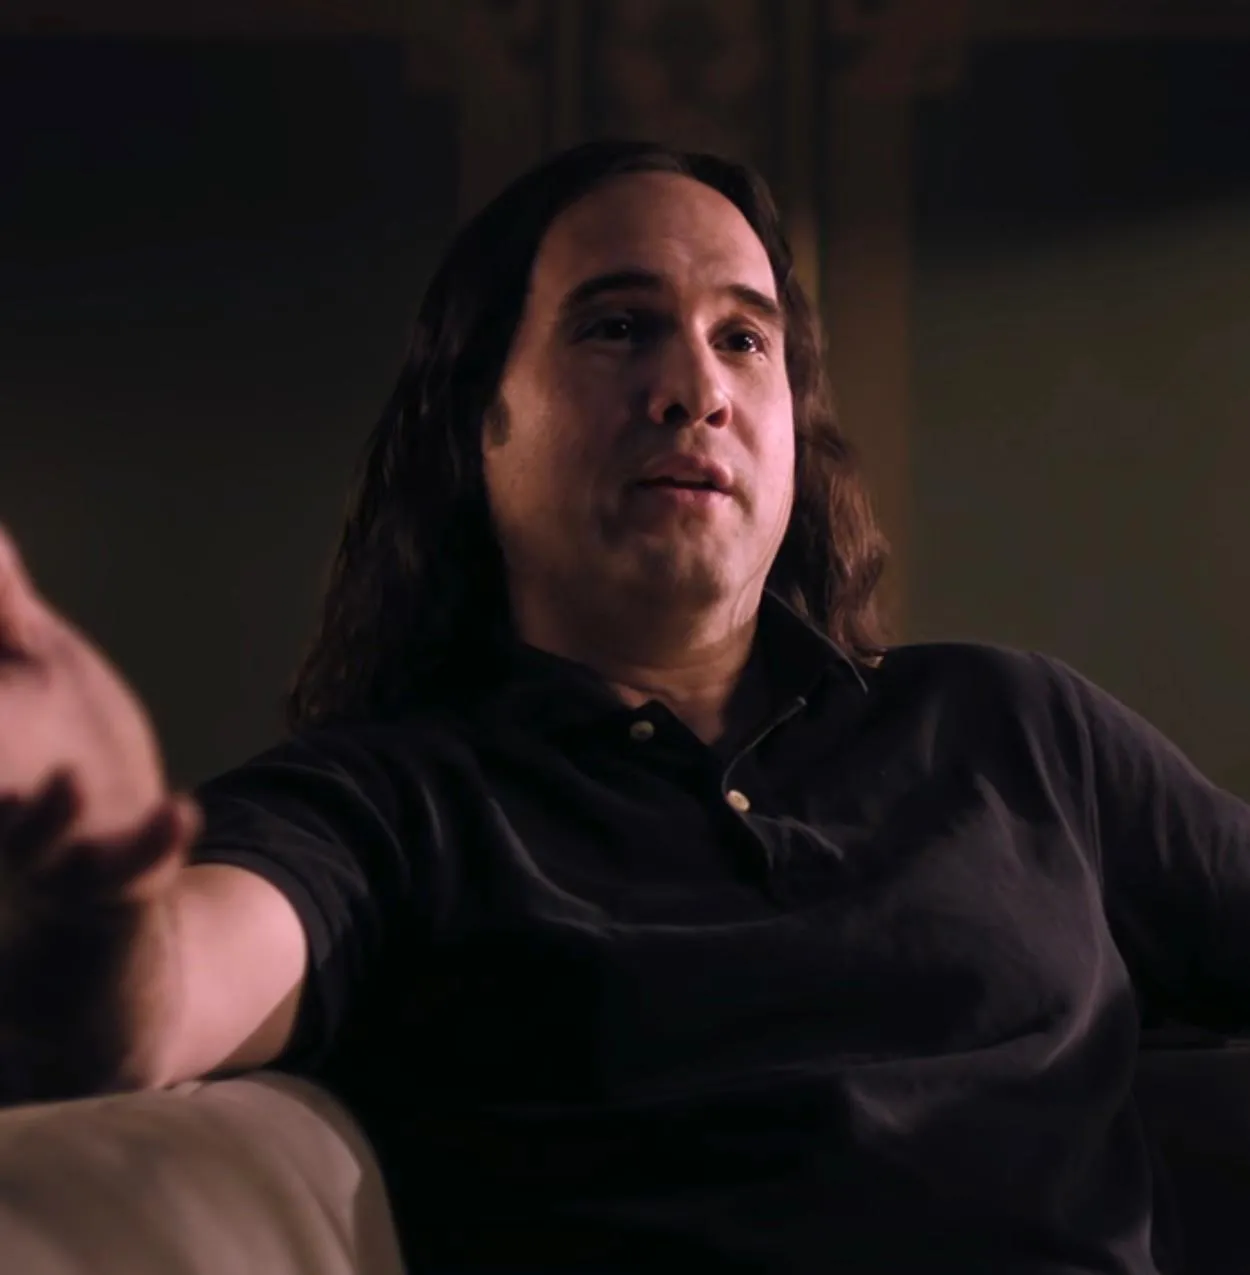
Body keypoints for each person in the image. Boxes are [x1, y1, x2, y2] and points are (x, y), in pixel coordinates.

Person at [0, 138, 1247, 1275]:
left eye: (742, 339)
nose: (693, 389)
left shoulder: (1011, 727)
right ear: (479, 419)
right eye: (616, 327)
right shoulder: (393, 803)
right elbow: (159, 997)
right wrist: (91, 887)